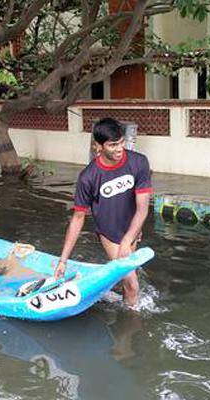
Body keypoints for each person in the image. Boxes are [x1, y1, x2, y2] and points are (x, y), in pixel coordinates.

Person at [54, 118, 153, 308]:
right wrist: (63, 261)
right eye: (113, 145)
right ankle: (131, 329)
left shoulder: (139, 162)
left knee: (126, 279)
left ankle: (124, 304)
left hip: (133, 228)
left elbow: (142, 209)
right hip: (109, 232)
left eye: (121, 142)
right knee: (132, 284)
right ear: (98, 146)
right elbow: (78, 218)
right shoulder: (88, 177)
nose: (119, 149)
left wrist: (128, 239)